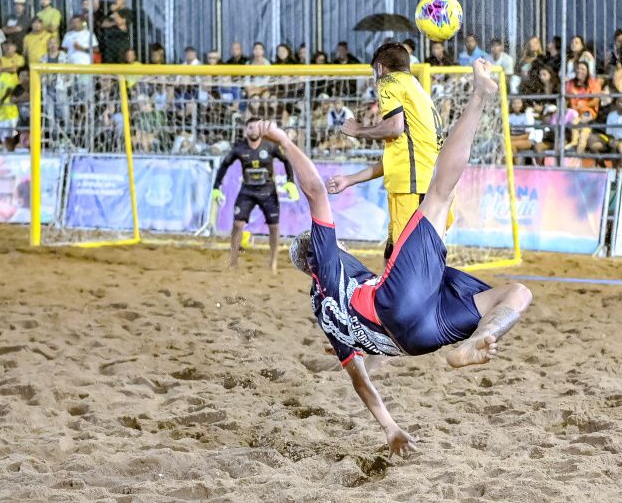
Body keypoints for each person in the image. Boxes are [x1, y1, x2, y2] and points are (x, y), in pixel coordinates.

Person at [263, 59, 531, 458]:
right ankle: (479, 97)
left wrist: (390, 428)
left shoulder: (323, 309)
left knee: (515, 293)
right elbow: (317, 192)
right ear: (319, 253)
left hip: (417, 340)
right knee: (439, 193)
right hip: (396, 304)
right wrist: (284, 142)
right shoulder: (329, 262)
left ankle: (476, 341)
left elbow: (359, 379)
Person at [326, 42, 445, 261]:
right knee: (396, 255)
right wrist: (350, 179)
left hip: (412, 188)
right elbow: (398, 157)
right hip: (430, 185)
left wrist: (358, 130)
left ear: (380, 68)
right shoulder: (418, 91)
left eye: (374, 72)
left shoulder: (389, 82)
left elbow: (394, 127)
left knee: (405, 261)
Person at [211, 117, 299, 273]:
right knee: (238, 224)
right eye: (250, 127)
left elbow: (287, 161)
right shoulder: (239, 148)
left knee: (274, 227)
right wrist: (216, 187)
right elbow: (224, 165)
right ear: (246, 131)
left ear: (261, 130)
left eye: (256, 127)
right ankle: (233, 261)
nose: (253, 130)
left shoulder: (271, 146)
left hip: (268, 192)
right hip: (247, 191)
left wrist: (291, 181)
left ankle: (273, 263)